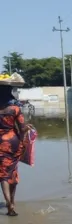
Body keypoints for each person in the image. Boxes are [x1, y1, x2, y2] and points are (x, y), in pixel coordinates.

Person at [0, 85, 29, 216]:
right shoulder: (15, 109)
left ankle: (8, 203)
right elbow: (22, 128)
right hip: (13, 142)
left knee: (3, 175)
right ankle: (12, 201)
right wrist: (27, 128)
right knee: (12, 172)